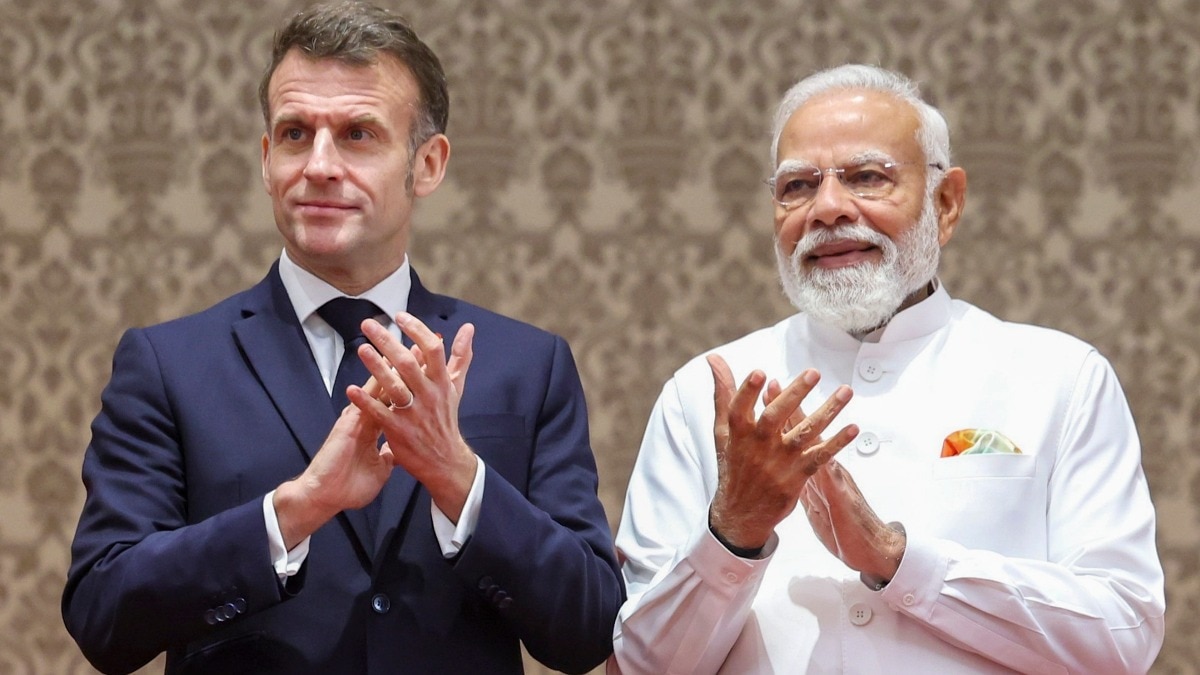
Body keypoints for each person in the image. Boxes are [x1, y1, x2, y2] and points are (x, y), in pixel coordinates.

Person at [62, 3, 623, 673]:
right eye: (295, 134)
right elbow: (103, 615)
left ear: (428, 164)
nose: (320, 165)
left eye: (358, 134)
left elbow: (589, 628)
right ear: (267, 160)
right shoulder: (168, 365)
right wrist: (292, 512)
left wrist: (459, 478)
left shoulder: (526, 366)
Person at [608, 64, 1165, 674]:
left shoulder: (1060, 377)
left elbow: (1124, 635)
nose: (826, 208)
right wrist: (734, 530)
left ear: (946, 203)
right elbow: (637, 667)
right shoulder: (705, 391)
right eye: (797, 185)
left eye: (867, 177)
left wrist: (897, 560)